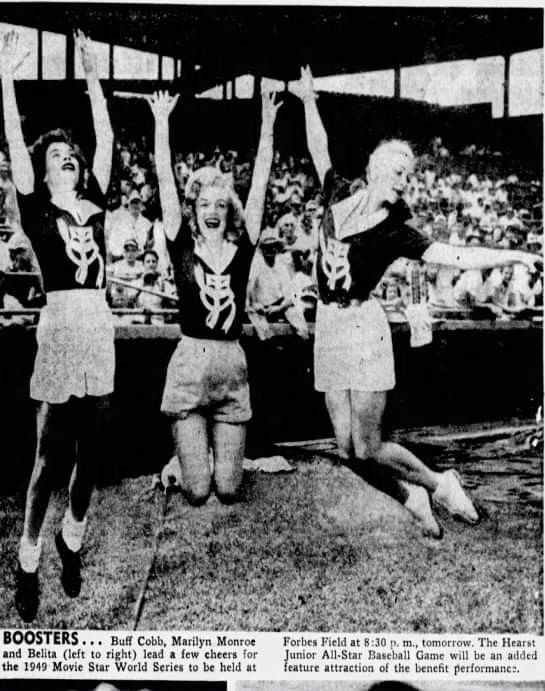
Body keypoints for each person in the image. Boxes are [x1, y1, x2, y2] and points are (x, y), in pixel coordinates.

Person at [291, 65, 541, 538]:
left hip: (364, 327)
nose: (404, 180)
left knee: (368, 446)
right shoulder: (337, 194)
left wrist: (515, 254)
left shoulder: (396, 231)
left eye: (409, 175)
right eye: (398, 169)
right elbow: (316, 147)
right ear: (373, 165)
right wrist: (308, 101)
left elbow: (456, 254)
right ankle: (412, 494)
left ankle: (439, 482)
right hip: (329, 325)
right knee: (346, 450)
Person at [1, 29, 114, 620]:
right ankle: (28, 553)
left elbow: (109, 138)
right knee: (49, 455)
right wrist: (4, 75)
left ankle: (74, 536)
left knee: (92, 452)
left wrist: (96, 77)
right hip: (63, 319)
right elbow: (17, 146)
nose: (66, 158)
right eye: (56, 155)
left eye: (71, 154)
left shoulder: (96, 206)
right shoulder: (37, 210)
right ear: (43, 174)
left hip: (99, 320)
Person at [147, 88, 281, 505]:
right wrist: (162, 122)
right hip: (189, 364)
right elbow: (165, 178)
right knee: (197, 492)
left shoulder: (242, 252)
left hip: (230, 367)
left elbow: (260, 183)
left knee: (227, 489)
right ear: (194, 209)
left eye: (221, 204)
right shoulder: (181, 245)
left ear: (228, 211)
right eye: (205, 202)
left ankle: (204, 457)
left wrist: (268, 126)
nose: (213, 210)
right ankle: (181, 463)